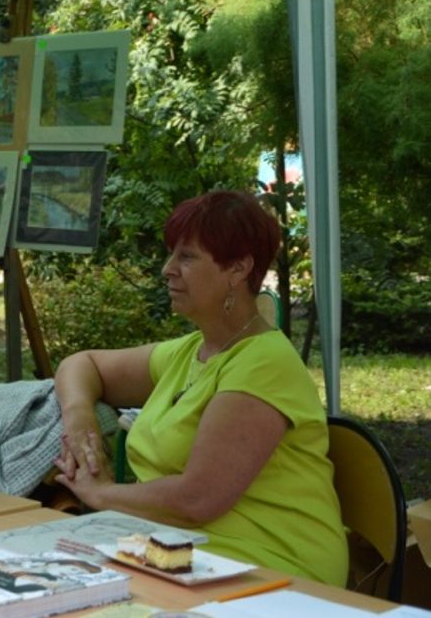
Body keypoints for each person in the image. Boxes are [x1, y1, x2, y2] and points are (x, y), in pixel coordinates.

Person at [53, 190, 347, 586]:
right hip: (179, 557)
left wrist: (101, 493)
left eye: (187, 257)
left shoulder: (264, 363)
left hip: (270, 572)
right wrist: (80, 423)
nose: (167, 269)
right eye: (172, 253)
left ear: (238, 269)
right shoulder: (193, 350)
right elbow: (81, 364)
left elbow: (198, 500)